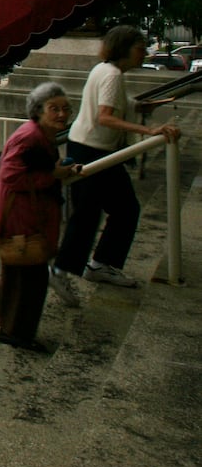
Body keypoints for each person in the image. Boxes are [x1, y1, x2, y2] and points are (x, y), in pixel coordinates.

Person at [49, 25, 181, 304]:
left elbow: (113, 104)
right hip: (92, 151)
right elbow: (105, 117)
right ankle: (60, 270)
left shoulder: (107, 71)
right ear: (124, 48)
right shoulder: (110, 75)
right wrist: (149, 131)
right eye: (139, 48)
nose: (144, 53)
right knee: (88, 214)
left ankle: (100, 264)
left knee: (124, 208)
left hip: (96, 149)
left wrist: (138, 107)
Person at [0, 82, 81, 352]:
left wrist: (59, 172)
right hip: (20, 217)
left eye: (65, 109)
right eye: (53, 109)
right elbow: (10, 176)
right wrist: (53, 176)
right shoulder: (29, 137)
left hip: (27, 214)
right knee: (31, 277)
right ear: (38, 111)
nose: (61, 114)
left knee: (19, 271)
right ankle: (16, 333)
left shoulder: (41, 135)